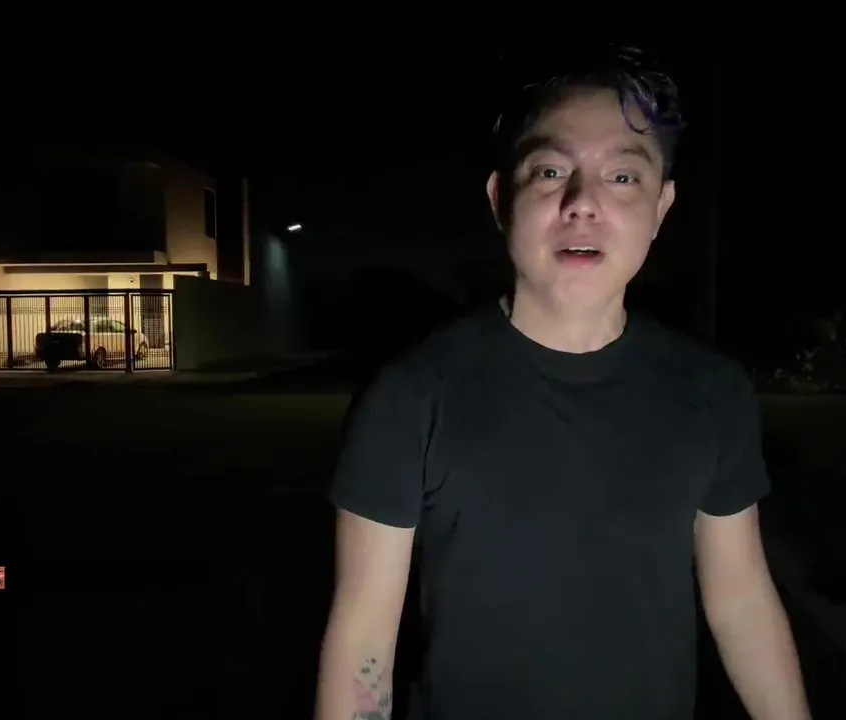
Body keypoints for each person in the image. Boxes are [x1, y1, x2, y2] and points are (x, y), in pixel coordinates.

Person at [315, 45, 811, 720]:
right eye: (550, 171)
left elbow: (742, 602)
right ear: (501, 198)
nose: (583, 204)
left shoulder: (712, 391)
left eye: (623, 178)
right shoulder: (411, 393)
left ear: (662, 207)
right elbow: (363, 637)